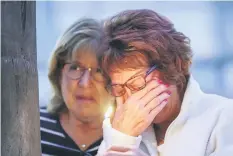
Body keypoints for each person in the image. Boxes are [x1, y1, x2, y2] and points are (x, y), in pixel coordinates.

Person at [97, 9, 233, 156]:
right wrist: (121, 140)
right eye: (119, 88)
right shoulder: (119, 131)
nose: (132, 100)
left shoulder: (223, 118)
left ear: (173, 67)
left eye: (137, 84)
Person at [40, 18, 114, 156]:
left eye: (99, 71)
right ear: (58, 73)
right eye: (76, 67)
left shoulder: (130, 138)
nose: (85, 83)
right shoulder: (32, 126)